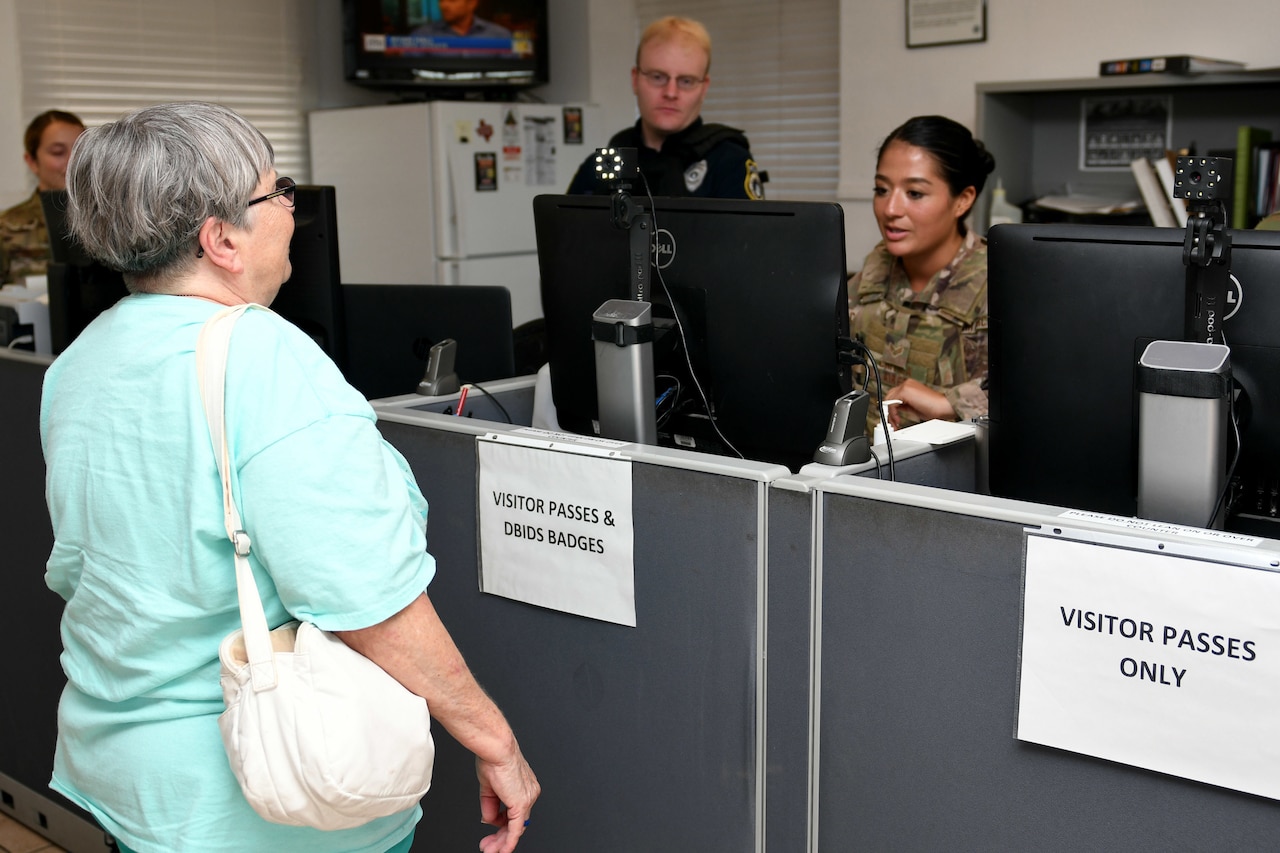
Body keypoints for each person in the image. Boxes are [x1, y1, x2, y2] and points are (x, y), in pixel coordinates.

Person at [41, 102, 539, 853]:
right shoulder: (266, 358)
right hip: (256, 801)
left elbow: (83, 569)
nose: (290, 214)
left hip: (127, 781)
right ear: (220, 239)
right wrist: (493, 737)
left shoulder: (78, 363)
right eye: (278, 194)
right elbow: (364, 593)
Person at [847, 115, 995, 436]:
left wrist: (952, 402)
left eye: (914, 193)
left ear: (963, 200)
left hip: (950, 482)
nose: (890, 209)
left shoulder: (998, 284)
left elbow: (1048, 389)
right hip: (864, 472)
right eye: (881, 189)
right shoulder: (870, 275)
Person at [566, 16, 765, 200]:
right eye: (657, 77)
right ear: (635, 80)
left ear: (704, 88)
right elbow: (565, 235)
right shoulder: (607, 162)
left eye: (686, 81)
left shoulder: (728, 162)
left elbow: (750, 238)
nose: (671, 92)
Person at [0, 109, 85, 284]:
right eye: (58, 152)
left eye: (80, 150)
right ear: (32, 161)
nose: (72, 161)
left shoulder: (109, 220)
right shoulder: (7, 227)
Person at [412, 0, 512, 38]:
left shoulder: (500, 36)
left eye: (452, 0)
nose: (444, 5)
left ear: (472, 4)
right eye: (441, 0)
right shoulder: (422, 36)